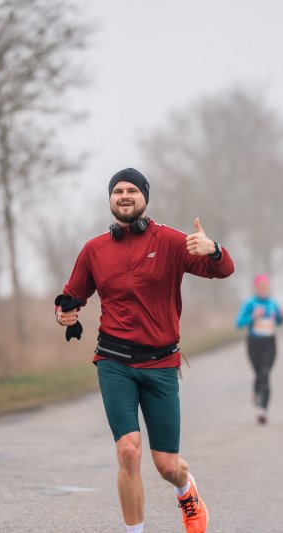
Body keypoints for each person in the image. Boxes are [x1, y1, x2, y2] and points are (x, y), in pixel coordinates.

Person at [55, 168, 234, 533]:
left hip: (161, 363)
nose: (124, 195)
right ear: (110, 199)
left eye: (132, 190)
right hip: (114, 361)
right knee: (128, 450)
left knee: (167, 465)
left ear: (145, 198)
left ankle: (185, 488)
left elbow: (224, 271)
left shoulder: (170, 241)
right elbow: (72, 294)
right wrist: (64, 313)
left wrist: (214, 250)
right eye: (117, 190)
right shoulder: (94, 250)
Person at [235, 274, 283, 425]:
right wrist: (252, 317)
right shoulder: (250, 303)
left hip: (270, 343)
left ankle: (262, 410)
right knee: (258, 373)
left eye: (265, 287)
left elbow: (279, 321)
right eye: (260, 287)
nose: (263, 289)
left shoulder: (273, 303)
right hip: (254, 343)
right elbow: (238, 323)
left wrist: (281, 316)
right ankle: (256, 392)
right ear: (256, 288)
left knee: (265, 373)